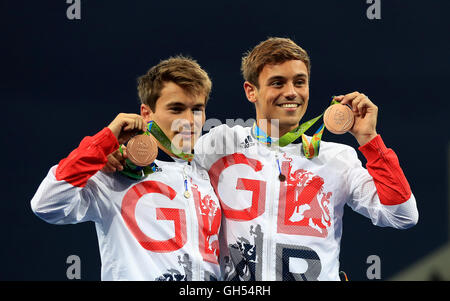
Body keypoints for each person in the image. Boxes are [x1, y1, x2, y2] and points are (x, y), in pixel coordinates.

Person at [192, 37, 419, 281]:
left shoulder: (337, 158)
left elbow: (402, 215)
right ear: (251, 91)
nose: (291, 92)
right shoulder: (220, 145)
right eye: (277, 83)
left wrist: (370, 141)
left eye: (299, 82)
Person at [30, 56, 222, 281]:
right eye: (176, 109)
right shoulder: (114, 172)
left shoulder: (207, 174)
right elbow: (46, 204)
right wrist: (104, 143)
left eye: (197, 110)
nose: (190, 121)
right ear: (146, 113)